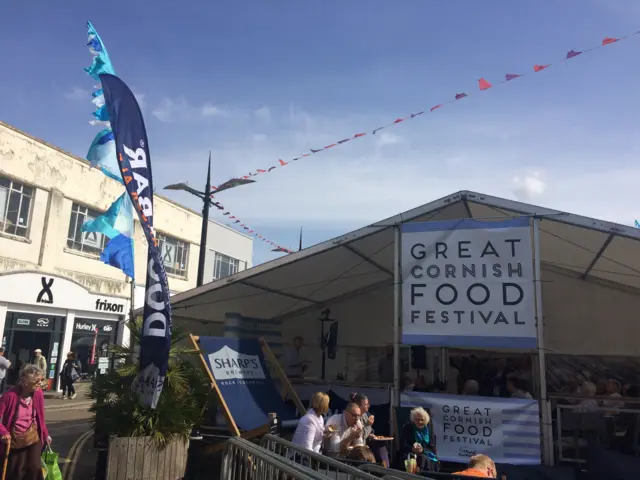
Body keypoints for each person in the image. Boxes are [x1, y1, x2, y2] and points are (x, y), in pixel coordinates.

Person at [0, 364, 52, 480]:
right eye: (36, 381)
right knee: (17, 472)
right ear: (24, 381)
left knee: (35, 469)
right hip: (15, 439)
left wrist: (46, 434)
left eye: (41, 380)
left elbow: (41, 417)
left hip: (33, 437)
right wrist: (3, 432)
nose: (39, 384)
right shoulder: (9, 396)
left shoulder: (38, 393)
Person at [351, 393, 390, 466]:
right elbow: (361, 435)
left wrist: (371, 434)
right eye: (366, 404)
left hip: (366, 445)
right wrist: (369, 425)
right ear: (359, 406)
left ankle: (385, 467)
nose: (368, 406)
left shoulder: (365, 415)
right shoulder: (355, 417)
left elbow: (370, 431)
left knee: (382, 445)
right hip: (357, 448)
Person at [397, 407, 438, 472]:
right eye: (417, 420)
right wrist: (412, 449)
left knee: (422, 458)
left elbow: (433, 449)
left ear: (425, 420)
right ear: (413, 420)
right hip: (409, 453)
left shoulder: (429, 431)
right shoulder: (408, 428)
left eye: (422, 420)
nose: (420, 422)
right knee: (416, 458)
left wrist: (422, 450)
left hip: (425, 454)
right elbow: (402, 445)